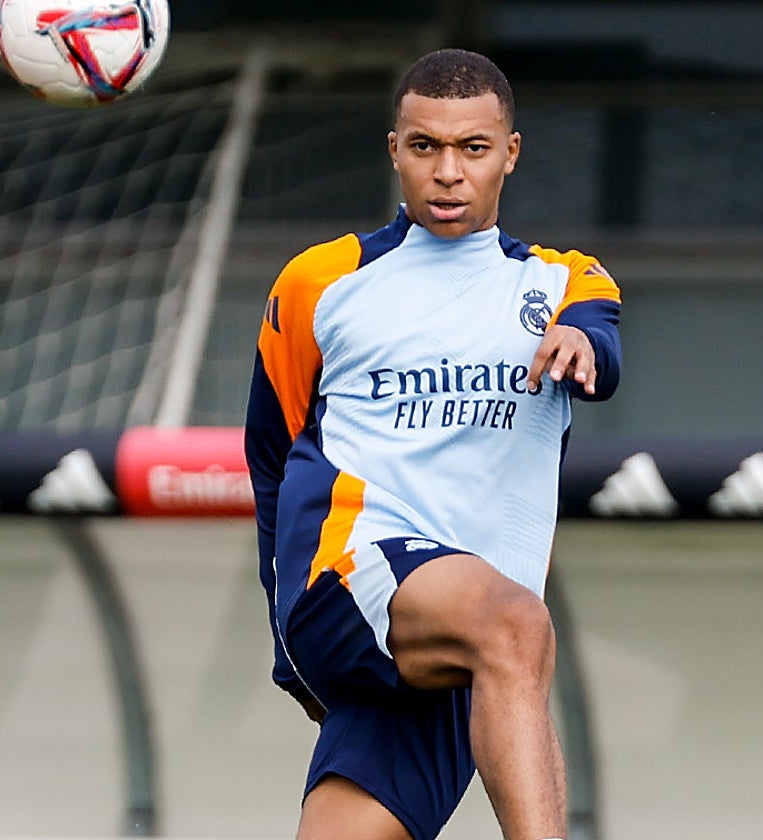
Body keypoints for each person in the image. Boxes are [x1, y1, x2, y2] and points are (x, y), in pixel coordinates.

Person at [244, 48, 622, 840]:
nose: (448, 172)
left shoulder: (564, 283)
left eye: (472, 149)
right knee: (520, 629)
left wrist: (582, 346)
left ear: (509, 155)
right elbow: (271, 461)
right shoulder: (319, 281)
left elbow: (599, 335)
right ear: (395, 151)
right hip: (350, 572)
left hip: (467, 645)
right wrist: (286, 642)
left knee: (510, 642)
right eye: (425, 147)